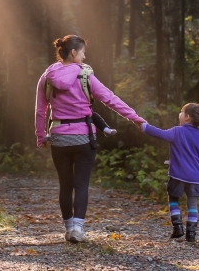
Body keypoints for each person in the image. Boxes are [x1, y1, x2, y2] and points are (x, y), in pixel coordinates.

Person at [35, 35, 146, 243]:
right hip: (84, 138)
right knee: (81, 184)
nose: (85, 56)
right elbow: (110, 99)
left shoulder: (47, 76)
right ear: (74, 53)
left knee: (65, 185)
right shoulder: (85, 75)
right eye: (83, 52)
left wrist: (41, 136)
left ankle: (68, 229)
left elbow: (40, 110)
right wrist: (135, 118)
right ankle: (78, 229)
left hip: (59, 137)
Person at [136, 103, 199, 242]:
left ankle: (177, 227)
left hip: (178, 175)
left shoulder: (177, 131)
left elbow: (159, 133)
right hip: (195, 178)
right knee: (192, 204)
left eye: (181, 112)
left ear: (187, 117)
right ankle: (191, 233)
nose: (179, 114)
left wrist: (143, 126)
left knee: (173, 199)